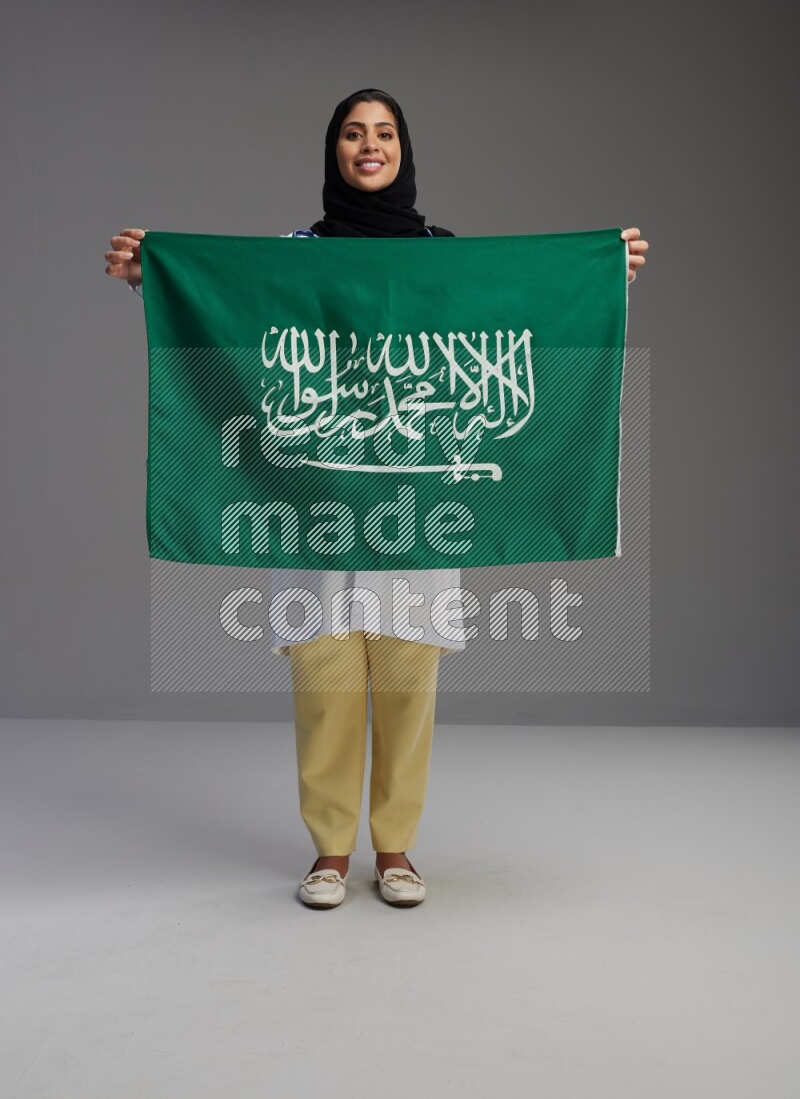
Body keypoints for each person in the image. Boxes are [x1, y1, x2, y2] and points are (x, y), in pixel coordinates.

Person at [105, 87, 649, 910]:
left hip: (417, 502)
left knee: (406, 677)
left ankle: (395, 846)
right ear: (334, 151)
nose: (369, 146)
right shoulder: (293, 254)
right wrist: (156, 274)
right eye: (354, 134)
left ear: (403, 150)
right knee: (323, 677)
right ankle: (329, 850)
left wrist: (602, 271)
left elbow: (518, 311)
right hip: (315, 498)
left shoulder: (444, 257)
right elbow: (231, 311)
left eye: (384, 133)